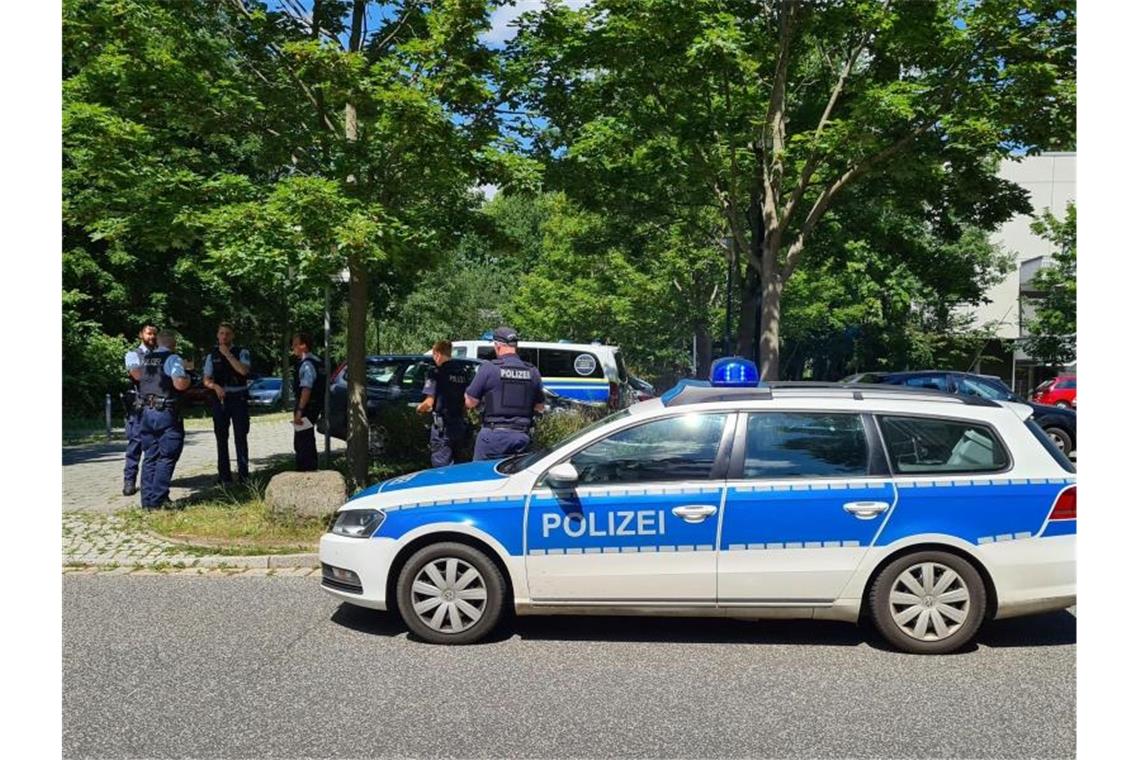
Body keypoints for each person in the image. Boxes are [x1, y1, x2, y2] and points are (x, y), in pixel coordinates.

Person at [465, 326, 544, 460]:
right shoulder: (532, 371)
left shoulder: (489, 368)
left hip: (493, 437)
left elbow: (470, 402)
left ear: (498, 346)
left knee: (482, 477)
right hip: (521, 437)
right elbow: (540, 407)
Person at [132, 329, 191, 509]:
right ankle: (159, 500)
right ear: (172, 343)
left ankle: (147, 502)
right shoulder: (173, 359)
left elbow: (138, 377)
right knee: (167, 456)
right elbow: (179, 384)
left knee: (150, 456)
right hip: (165, 413)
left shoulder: (145, 358)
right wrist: (188, 377)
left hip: (145, 412)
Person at [202, 322, 252, 484]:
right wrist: (214, 386)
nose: (224, 337)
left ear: (233, 336)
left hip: (239, 399)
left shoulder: (241, 352)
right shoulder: (212, 355)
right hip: (221, 400)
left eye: (227, 334)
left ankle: (244, 475)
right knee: (221, 438)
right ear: (218, 335)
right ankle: (224, 475)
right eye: (221, 333)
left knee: (240, 437)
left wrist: (228, 355)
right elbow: (206, 380)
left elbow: (243, 371)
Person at [416, 340, 472, 467]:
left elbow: (429, 403)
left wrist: (419, 409)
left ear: (437, 354)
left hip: (443, 427)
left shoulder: (436, 372)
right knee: (459, 467)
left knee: (441, 468)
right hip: (459, 425)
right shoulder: (462, 373)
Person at [122, 323, 158, 496]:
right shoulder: (132, 354)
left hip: (156, 405)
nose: (152, 337)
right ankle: (129, 480)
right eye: (148, 333)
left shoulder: (160, 355)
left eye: (154, 334)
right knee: (135, 443)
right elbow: (136, 375)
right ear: (141, 335)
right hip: (138, 405)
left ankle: (150, 481)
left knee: (153, 445)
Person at [290, 332, 324, 471]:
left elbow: (306, 389)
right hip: (314, 406)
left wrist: (299, 410)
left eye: (295, 344)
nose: (293, 347)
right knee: (307, 438)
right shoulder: (317, 362)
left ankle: (306, 471)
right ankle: (309, 467)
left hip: (307, 407)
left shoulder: (307, 365)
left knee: (302, 441)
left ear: (303, 346)